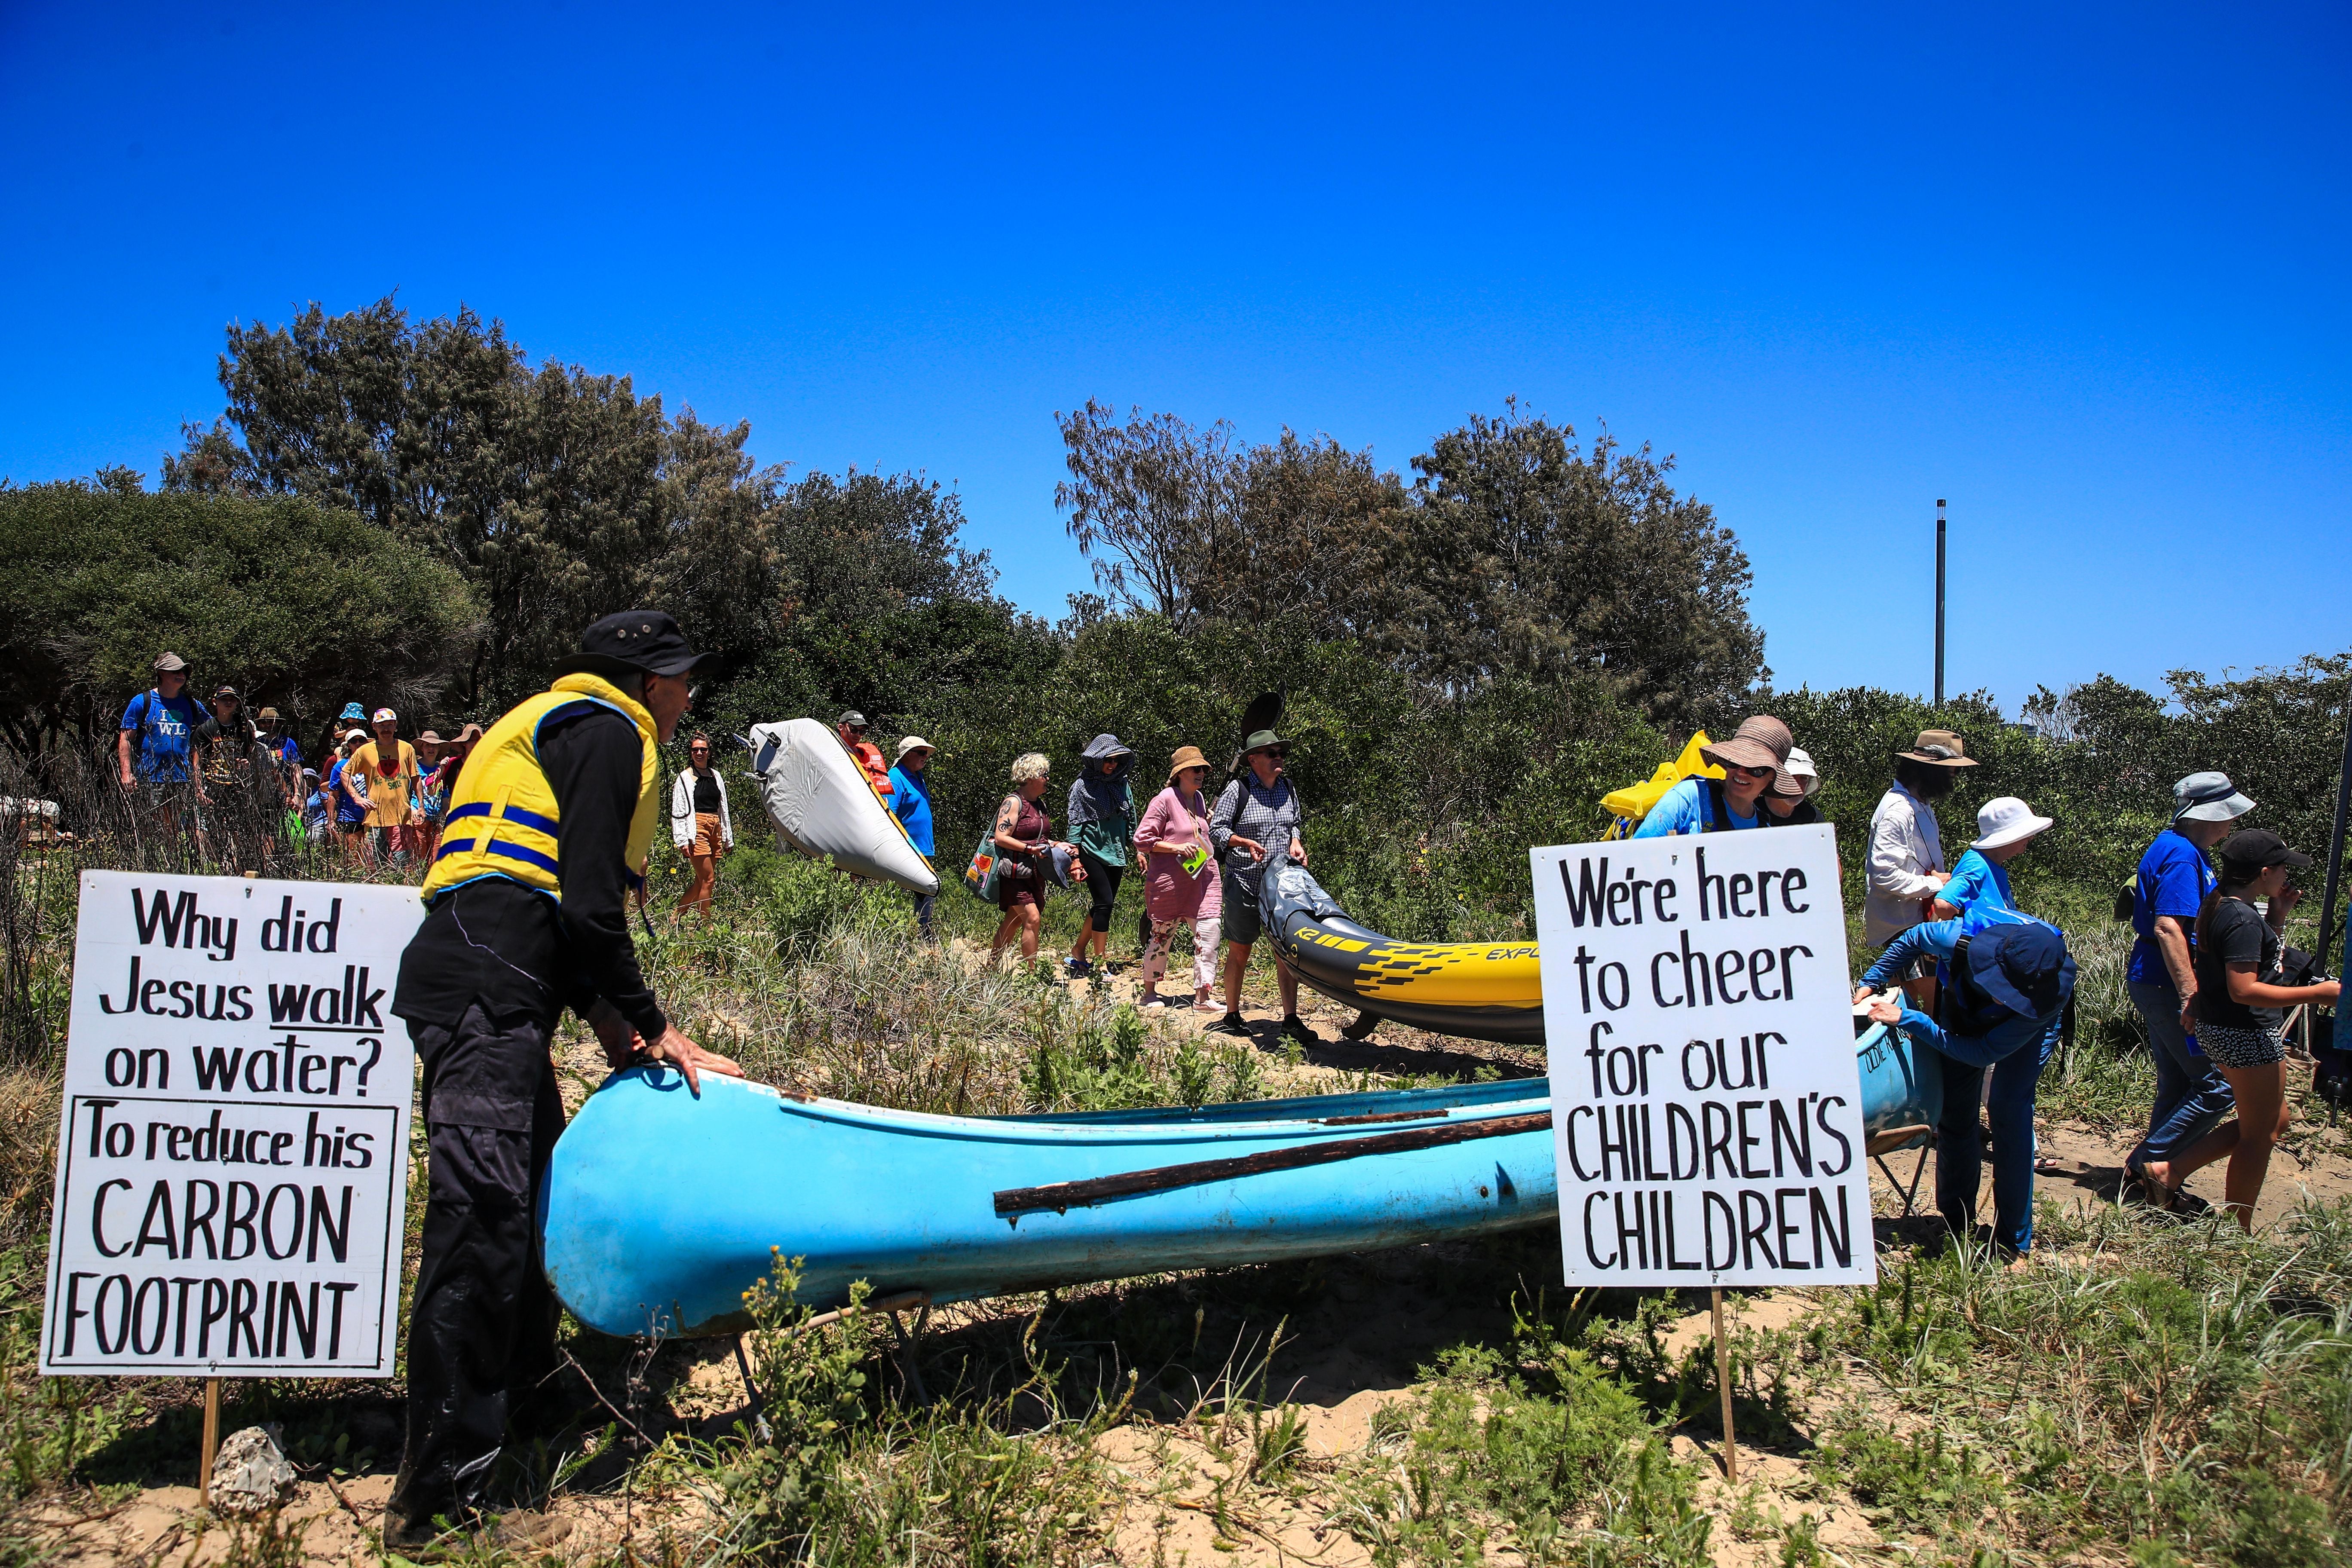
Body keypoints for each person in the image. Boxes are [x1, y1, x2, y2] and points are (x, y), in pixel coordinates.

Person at [384, 610, 741, 1549]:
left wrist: (618, 1031)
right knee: (483, 1222)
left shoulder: (568, 724)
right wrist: (656, 1023)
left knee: (532, 1198)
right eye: (678, 679)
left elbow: (553, 909)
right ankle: (436, 1504)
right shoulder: (608, 729)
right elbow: (586, 907)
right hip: (483, 987)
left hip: (494, 982)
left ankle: (532, 1412)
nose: (687, 697)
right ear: (643, 681)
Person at [1855, 908, 2076, 1256]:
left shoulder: (2047, 995)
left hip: (2025, 1030)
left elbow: (1981, 1052)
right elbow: (1913, 938)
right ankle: (1957, 1222)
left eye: (2012, 993)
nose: (2004, 998)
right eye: (2001, 987)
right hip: (1961, 1006)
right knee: (1956, 1115)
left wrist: (1911, 1020)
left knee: (2009, 1111)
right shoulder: (1958, 939)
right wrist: (1873, 979)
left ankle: (2013, 1240)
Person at [2150, 830, 2339, 1230]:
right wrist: (2317, 993)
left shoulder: (2222, 905)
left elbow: (2229, 966)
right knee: (2261, 1136)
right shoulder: (2241, 919)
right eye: (2284, 868)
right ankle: (2238, 1225)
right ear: (2265, 872)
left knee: (2275, 1120)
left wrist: (2278, 914)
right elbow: (2243, 989)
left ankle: (2170, 1170)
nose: (2288, 875)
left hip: (2225, 1030)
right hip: (2245, 1033)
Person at [2122, 772, 2257, 1204]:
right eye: (2228, 816)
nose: (2231, 825)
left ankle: (2144, 1178)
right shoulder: (2183, 856)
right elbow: (2168, 928)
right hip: (2165, 984)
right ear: (2208, 817)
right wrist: (2190, 994)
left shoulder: (2178, 847)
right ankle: (2150, 1165)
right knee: (2216, 1085)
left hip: (2153, 979)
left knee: (2180, 1082)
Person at [1207, 729, 1317, 1047]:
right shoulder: (1236, 791)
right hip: (1244, 881)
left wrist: (1296, 841)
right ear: (1253, 760)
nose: (1278, 757)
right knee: (1241, 950)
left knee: (1285, 952)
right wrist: (1242, 841)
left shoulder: (1287, 788)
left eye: (1281, 752)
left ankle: (1291, 1020)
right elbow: (1217, 831)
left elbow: (1294, 822)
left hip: (1281, 886)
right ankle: (1232, 1016)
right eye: (1271, 753)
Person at [1865, 729, 1978, 1004]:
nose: (1955, 777)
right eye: (1950, 770)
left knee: (1904, 1008)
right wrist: (1937, 884)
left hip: (1914, 921)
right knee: (1936, 1007)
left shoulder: (1919, 805)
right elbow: (1884, 875)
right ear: (1929, 770)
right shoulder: (1899, 810)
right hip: (1905, 926)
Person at [1135, 745, 1223, 1012]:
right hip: (1170, 884)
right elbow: (1142, 839)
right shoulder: (1163, 799)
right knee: (1162, 935)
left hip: (1203, 878)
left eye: (1204, 770)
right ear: (1180, 772)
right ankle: (1149, 992)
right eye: (1196, 769)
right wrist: (1175, 848)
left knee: (1210, 933)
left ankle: (1203, 997)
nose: (1201, 774)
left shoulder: (1199, 799)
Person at [1631, 716, 1803, 836]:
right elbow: (1637, 855)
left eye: (1756, 769)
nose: (1741, 772)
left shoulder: (1763, 829)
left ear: (1772, 777)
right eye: (1734, 762)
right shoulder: (1689, 797)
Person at [989, 752, 1082, 963]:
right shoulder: (1013, 802)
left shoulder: (1040, 805)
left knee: (1013, 921)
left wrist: (1057, 845)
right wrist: (1029, 850)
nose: (1048, 779)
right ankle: (1032, 976)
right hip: (1015, 873)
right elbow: (1001, 837)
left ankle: (990, 968)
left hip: (1035, 873)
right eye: (1044, 774)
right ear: (1031, 777)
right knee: (1032, 918)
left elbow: (1040, 838)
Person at [116, 652, 214, 845]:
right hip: (149, 776)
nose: (181, 675)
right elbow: (126, 739)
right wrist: (126, 773)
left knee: (176, 828)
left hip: (182, 777)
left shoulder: (191, 704)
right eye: (175, 671)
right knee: (150, 827)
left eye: (183, 671)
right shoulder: (141, 702)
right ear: (161, 673)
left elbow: (213, 729)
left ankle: (172, 864)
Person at [1065, 734, 1136, 979]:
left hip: (1116, 851)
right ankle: (1100, 963)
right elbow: (1075, 822)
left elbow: (1131, 815)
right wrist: (1074, 858)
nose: (1113, 765)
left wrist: (1137, 848)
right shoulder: (1082, 786)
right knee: (1105, 903)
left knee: (1101, 905)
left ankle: (1079, 950)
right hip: (1090, 850)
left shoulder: (1122, 784)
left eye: (1117, 760)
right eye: (1108, 760)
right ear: (1096, 759)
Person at [1942, 797, 2052, 915]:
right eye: (2027, 834)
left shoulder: (1992, 865)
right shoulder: (1976, 865)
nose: (2031, 837)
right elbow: (1944, 904)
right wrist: (1977, 929)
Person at [670, 732, 735, 921]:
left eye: (703, 750)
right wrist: (682, 840)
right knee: (709, 879)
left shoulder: (716, 776)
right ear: (691, 753)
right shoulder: (685, 778)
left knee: (702, 882)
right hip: (696, 827)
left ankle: (676, 916)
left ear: (709, 752)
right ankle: (706, 925)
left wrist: (727, 837)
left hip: (715, 826)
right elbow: (679, 810)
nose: (699, 753)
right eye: (695, 750)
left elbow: (723, 808)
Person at [352, 708, 424, 864]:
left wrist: (421, 806)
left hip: (401, 817)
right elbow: (345, 774)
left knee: (401, 864)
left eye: (390, 725)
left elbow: (416, 779)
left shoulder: (407, 749)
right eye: (382, 725)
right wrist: (357, 798)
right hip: (374, 818)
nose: (386, 729)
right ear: (374, 726)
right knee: (375, 865)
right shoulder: (364, 751)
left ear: (396, 726)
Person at [888, 736, 938, 941]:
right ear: (907, 755)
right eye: (921, 753)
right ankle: (898, 937)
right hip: (907, 849)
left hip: (924, 848)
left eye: (926, 754)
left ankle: (923, 935)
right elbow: (890, 813)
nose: (926, 758)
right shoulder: (896, 777)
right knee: (901, 894)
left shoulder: (918, 777)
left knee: (925, 892)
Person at [329, 729, 372, 863]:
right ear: (349, 745)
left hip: (372, 815)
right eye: (354, 741)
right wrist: (331, 821)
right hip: (350, 817)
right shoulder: (340, 767)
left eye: (361, 740)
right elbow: (333, 795)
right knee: (353, 858)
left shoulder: (374, 764)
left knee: (371, 857)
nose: (358, 744)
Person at [836, 711, 894, 799]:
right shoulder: (834, 753)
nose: (858, 735)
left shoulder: (863, 753)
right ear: (841, 727)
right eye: (854, 730)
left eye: (862, 732)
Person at [1764, 747, 1825, 825]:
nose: (1798, 784)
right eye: (1791, 776)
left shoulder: (1812, 815)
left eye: (1804, 778)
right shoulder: (1750, 814)